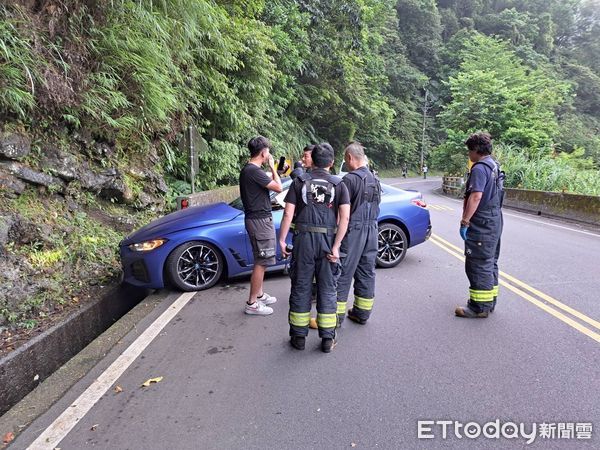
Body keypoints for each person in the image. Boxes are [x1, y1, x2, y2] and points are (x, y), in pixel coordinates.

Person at [279, 143, 350, 352]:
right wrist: (336, 246)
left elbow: (287, 214)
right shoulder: (339, 184)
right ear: (332, 162)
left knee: (301, 286)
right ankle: (327, 339)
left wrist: (283, 240)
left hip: (303, 242)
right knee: (328, 288)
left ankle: (298, 337)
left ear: (312, 160)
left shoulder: (300, 182)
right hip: (328, 242)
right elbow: (344, 217)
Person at [455, 132, 504, 318]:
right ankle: (489, 302)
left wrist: (465, 221)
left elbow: (476, 196)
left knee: (478, 263)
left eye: (469, 151)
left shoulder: (479, 168)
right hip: (494, 219)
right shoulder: (494, 166)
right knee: (490, 261)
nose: (469, 155)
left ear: (476, 150)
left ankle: (479, 307)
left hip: (482, 222)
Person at [336, 142, 381, 326]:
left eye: (346, 161)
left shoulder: (349, 180)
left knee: (343, 272)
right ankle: (362, 313)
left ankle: (335, 318)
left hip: (353, 231)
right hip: (372, 231)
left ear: (349, 158)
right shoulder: (375, 180)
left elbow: (341, 213)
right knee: (366, 271)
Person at [239, 136, 283, 315]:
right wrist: (273, 167)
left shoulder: (251, 171)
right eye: (268, 152)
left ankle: (259, 294)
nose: (269, 155)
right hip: (259, 221)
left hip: (258, 219)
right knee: (262, 260)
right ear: (263, 152)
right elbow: (279, 187)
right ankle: (252, 304)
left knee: (262, 258)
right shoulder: (253, 171)